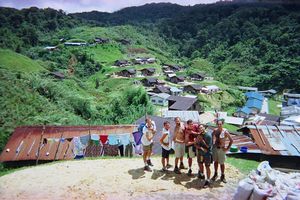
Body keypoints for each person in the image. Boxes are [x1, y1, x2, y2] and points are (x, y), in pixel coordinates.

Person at [211, 119, 233, 183]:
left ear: (222, 124)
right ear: (216, 124)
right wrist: (212, 144)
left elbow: (231, 140)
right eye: (218, 124)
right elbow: (212, 136)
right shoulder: (215, 130)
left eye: (220, 124)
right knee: (215, 161)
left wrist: (227, 148)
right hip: (215, 148)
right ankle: (215, 174)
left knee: (222, 163)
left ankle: (222, 175)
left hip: (221, 149)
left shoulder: (225, 131)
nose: (219, 125)